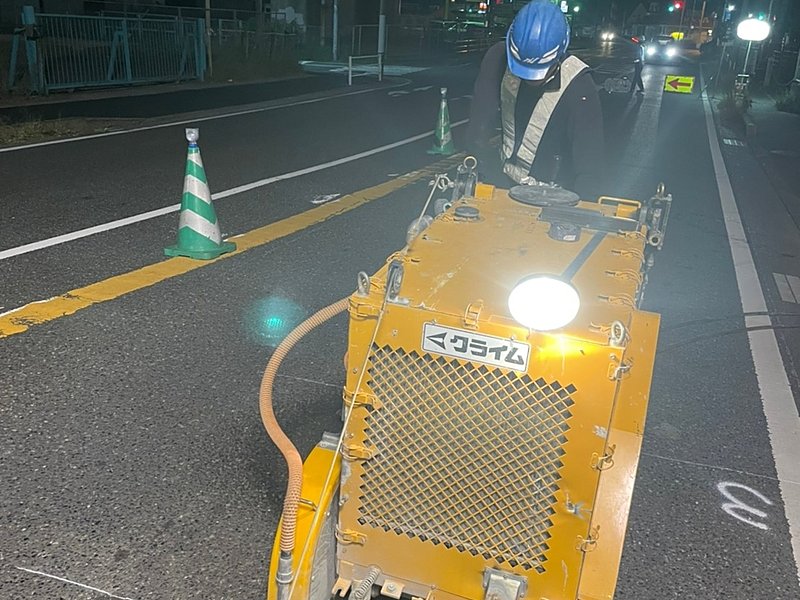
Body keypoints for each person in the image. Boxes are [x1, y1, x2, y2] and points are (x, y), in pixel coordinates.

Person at [466, 0, 604, 199]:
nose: (531, 78)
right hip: (503, 182)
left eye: (540, 71)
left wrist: (579, 212)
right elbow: (478, 124)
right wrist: (478, 173)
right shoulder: (497, 58)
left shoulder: (580, 86)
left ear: (560, 53)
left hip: (556, 195)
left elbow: (590, 165)